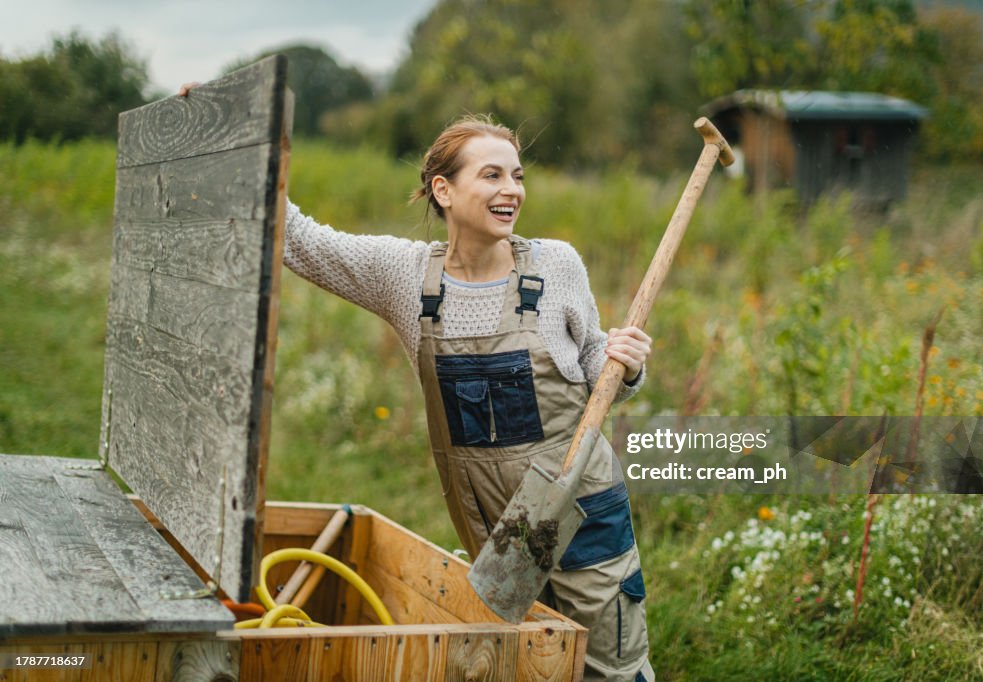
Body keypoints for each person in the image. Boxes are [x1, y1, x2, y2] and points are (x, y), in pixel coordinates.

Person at [181, 85, 654, 681]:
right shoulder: (405, 277)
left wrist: (627, 364)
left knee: (610, 667)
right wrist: (224, 134)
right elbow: (295, 237)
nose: (512, 190)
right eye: (491, 175)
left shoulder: (557, 265)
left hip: (583, 508)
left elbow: (595, 370)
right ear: (444, 189)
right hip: (492, 526)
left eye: (517, 175)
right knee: (518, 666)